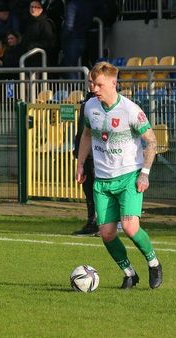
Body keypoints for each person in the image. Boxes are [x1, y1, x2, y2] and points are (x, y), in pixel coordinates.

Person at [75, 62, 163, 290]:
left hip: (128, 177)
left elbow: (152, 141)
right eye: (92, 84)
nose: (94, 88)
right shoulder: (90, 107)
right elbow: (86, 135)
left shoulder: (130, 110)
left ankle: (154, 264)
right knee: (106, 233)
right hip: (102, 180)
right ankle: (130, 274)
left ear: (113, 83)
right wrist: (80, 164)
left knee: (130, 226)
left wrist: (144, 173)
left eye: (99, 84)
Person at [72, 78, 98, 235]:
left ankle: (105, 222)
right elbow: (83, 131)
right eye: (89, 81)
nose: (92, 85)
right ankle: (92, 221)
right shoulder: (87, 102)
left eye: (94, 81)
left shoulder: (105, 103)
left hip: (99, 154)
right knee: (88, 189)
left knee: (100, 190)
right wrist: (78, 151)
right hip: (87, 153)